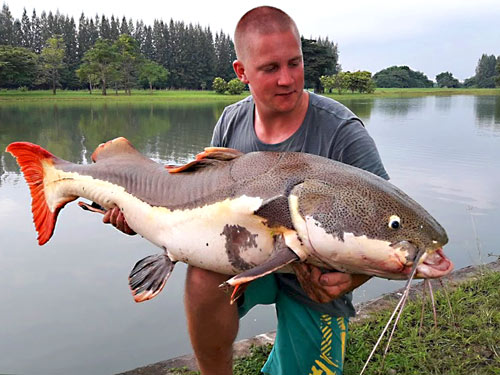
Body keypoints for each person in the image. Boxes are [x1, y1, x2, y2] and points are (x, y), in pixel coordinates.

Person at [105, 6, 388, 375]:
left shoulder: (342, 132)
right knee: (203, 277)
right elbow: (198, 204)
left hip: (315, 279)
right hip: (243, 260)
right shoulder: (231, 121)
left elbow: (387, 227)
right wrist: (138, 218)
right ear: (242, 72)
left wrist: (353, 278)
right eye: (270, 68)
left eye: (294, 63)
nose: (287, 79)